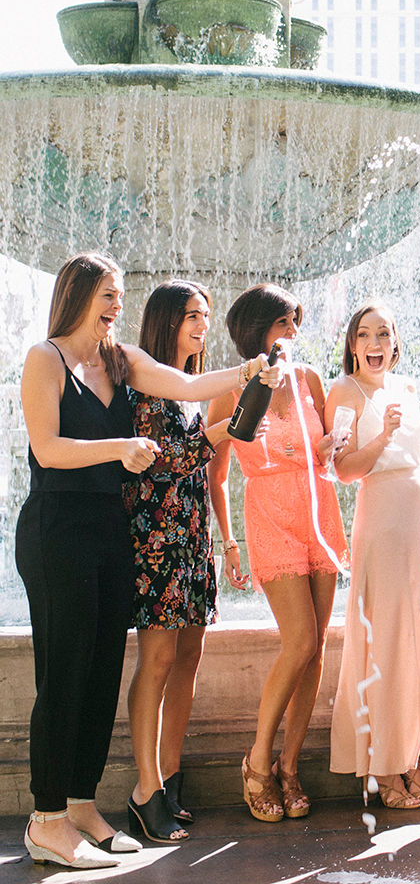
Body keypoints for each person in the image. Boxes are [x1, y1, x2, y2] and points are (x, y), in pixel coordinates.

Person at [16, 253, 274, 869]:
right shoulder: (44, 360)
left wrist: (248, 371)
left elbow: (186, 385)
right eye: (106, 294)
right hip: (57, 531)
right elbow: (48, 450)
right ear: (76, 294)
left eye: (119, 297)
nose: (116, 305)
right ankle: (46, 818)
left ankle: (81, 805)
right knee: (66, 673)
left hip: (109, 532)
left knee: (102, 671)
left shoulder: (120, 360)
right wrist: (122, 446)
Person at [207, 284, 349, 823]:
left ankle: (290, 766)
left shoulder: (309, 379)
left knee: (315, 649)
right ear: (256, 329)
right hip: (269, 514)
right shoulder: (231, 388)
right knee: (300, 639)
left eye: (295, 323)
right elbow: (216, 475)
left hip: (320, 511)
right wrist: (229, 542)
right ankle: (257, 761)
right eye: (283, 323)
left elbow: (328, 449)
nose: (293, 333)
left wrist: (334, 448)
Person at [125, 281, 256, 844]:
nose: (201, 326)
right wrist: (237, 415)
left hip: (191, 538)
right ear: (165, 322)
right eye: (190, 317)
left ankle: (171, 777)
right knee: (156, 659)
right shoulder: (147, 383)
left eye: (204, 315)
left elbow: (204, 464)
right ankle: (144, 789)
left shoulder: (189, 392)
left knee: (189, 657)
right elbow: (174, 458)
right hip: (155, 541)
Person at [327, 301, 420, 808]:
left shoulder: (407, 387)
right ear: (352, 344)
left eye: (383, 333)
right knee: (387, 640)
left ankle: (410, 759)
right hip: (383, 524)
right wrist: (383, 435)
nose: (374, 343)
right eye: (365, 334)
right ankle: (383, 768)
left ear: (394, 341)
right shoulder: (344, 391)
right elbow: (342, 469)